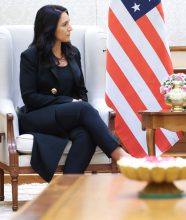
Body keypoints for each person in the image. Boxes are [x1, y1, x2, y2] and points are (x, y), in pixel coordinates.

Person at [18, 5, 130, 182]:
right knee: (83, 109)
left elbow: (81, 91)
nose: (70, 28)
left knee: (86, 135)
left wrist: (75, 104)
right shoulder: (30, 56)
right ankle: (122, 157)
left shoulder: (72, 53)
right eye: (65, 24)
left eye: (69, 22)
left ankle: (68, 188)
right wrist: (69, 102)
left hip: (68, 116)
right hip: (37, 116)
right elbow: (29, 97)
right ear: (49, 28)